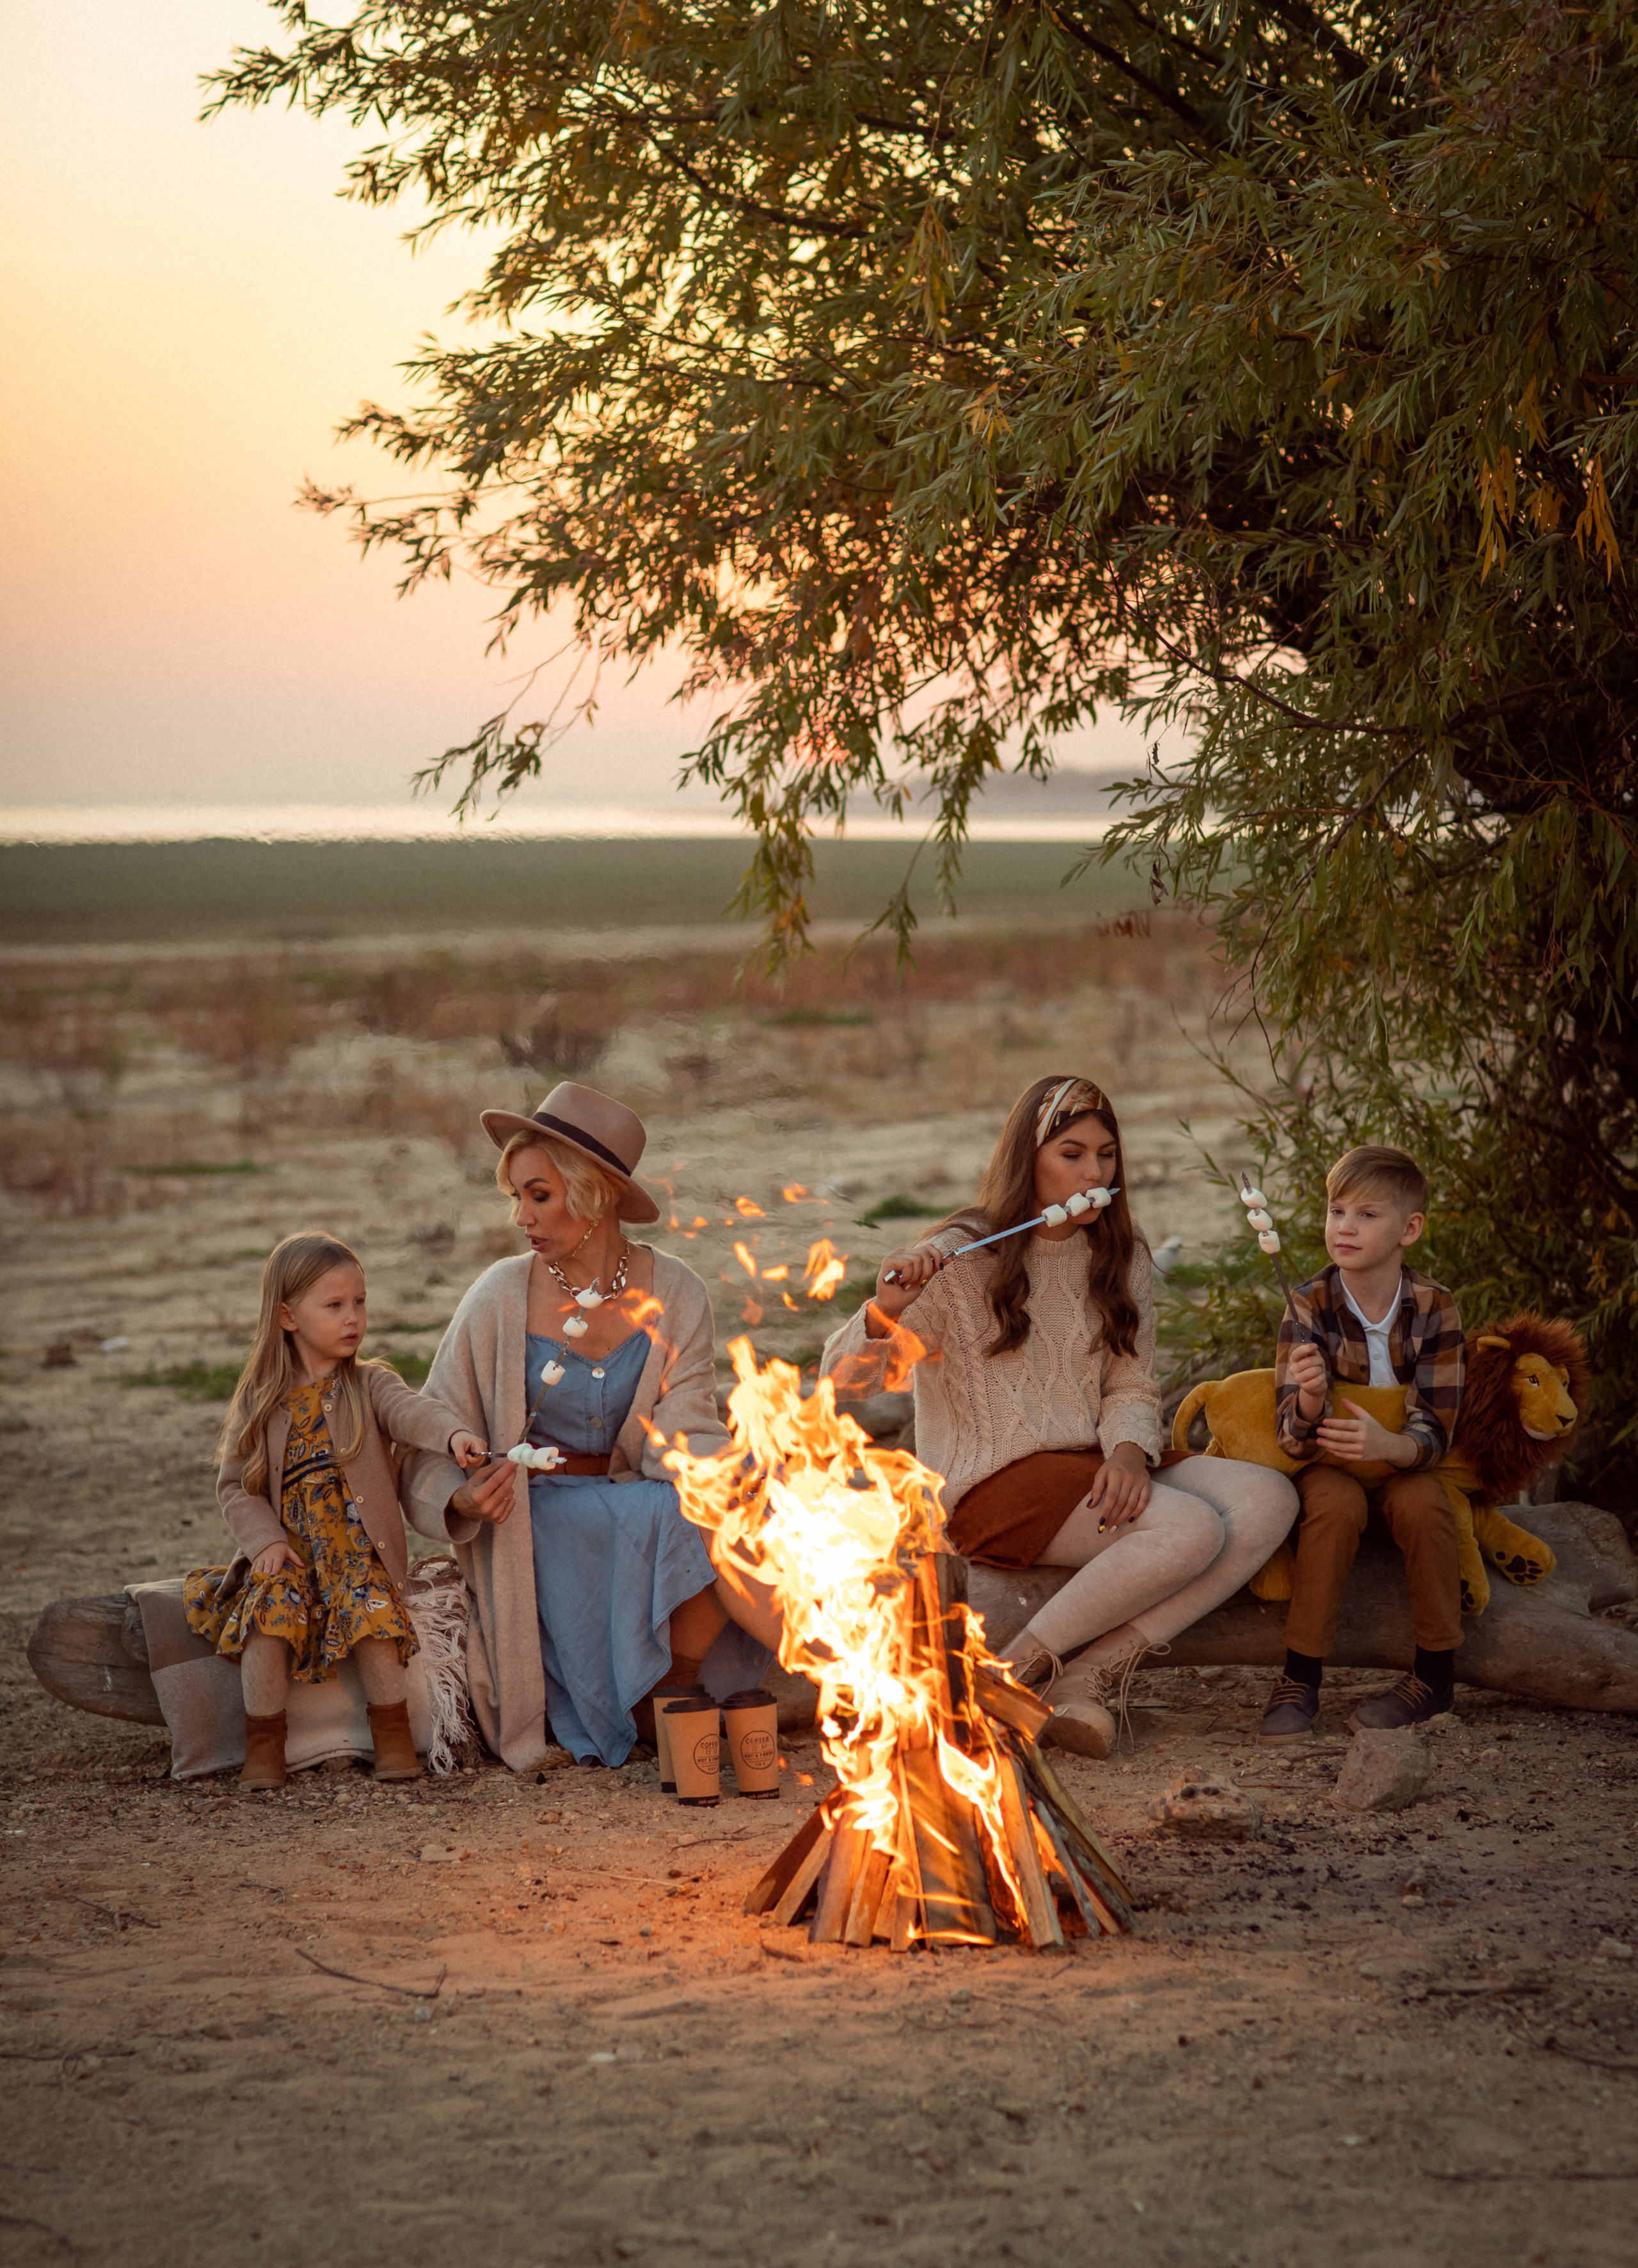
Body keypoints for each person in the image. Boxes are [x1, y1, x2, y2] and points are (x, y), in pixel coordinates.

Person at [821, 1074, 1298, 1756]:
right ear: (1029, 1157)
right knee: (1188, 1529)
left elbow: (1132, 1382)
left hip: (1088, 1466)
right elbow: (845, 1381)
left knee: (1267, 1497)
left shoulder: (1119, 1253)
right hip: (990, 1482)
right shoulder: (958, 1257)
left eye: (1105, 1155)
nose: (1093, 1171)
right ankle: (1004, 1676)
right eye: (1071, 1153)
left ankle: (1086, 1676)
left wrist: (1129, 1450)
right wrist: (887, 1309)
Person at [398, 1083, 778, 1770]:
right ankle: (664, 1702)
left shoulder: (677, 1290)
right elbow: (432, 1426)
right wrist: (459, 1498)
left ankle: (667, 1690)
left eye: (538, 1195)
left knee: (735, 1508)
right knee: (686, 1518)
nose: (520, 1217)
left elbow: (687, 1427)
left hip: (638, 1493)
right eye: (516, 1196)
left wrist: (738, 1477)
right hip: (534, 1517)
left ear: (595, 1193)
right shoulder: (498, 1296)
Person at [185, 1231, 488, 1792]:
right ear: (287, 1316)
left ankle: (394, 1737)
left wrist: (453, 1434)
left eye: (360, 1302)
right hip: (293, 1558)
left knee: (375, 1616)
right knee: (265, 1623)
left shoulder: (369, 1384)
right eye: (335, 1306)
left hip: (357, 1555)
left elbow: (410, 1411)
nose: (354, 1318)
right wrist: (266, 1544)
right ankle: (264, 1744)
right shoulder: (262, 1399)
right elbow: (236, 1486)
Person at [1258, 1144, 1465, 1741]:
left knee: (1428, 1505)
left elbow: (1438, 1428)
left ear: (1410, 1229)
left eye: (1367, 1215)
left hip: (1402, 1460)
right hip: (1335, 1464)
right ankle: (1301, 1673)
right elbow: (1292, 1443)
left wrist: (1390, 1446)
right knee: (1332, 1505)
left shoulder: (1435, 1307)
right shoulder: (1309, 1303)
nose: (1345, 1228)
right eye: (1337, 1211)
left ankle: (1435, 1672)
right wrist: (1310, 1400)